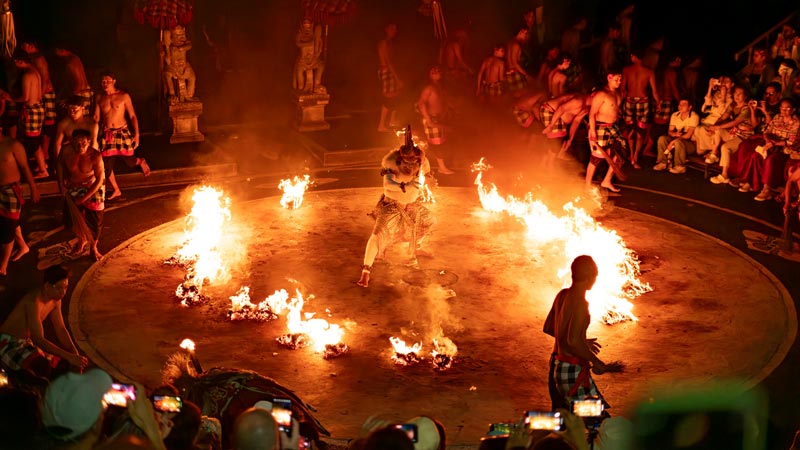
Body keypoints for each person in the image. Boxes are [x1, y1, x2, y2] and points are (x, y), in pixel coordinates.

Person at [543, 255, 623, 412]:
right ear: (591, 276)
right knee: (597, 419)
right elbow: (572, 341)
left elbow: (550, 328)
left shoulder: (562, 295)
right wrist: (597, 361)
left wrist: (582, 341)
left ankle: (530, 435)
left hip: (556, 366)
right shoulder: (581, 304)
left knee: (563, 420)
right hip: (571, 370)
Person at [357, 133, 435, 287]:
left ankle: (416, 247)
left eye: (413, 162)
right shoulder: (391, 162)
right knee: (377, 235)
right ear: (400, 159)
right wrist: (406, 187)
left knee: (429, 221)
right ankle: (365, 272)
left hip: (411, 205)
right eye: (407, 162)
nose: (410, 165)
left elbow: (426, 176)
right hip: (392, 205)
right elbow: (387, 185)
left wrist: (429, 181)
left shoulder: (422, 162)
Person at [0, 266, 88, 379]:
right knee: (42, 367)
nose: (63, 292)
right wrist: (69, 356)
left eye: (65, 287)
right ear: (47, 286)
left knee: (63, 366)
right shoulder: (33, 302)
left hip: (26, 343)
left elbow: (60, 328)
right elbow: (39, 340)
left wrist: (74, 354)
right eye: (59, 288)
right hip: (7, 342)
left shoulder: (56, 299)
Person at [94, 71, 150, 200]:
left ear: (114, 81)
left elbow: (132, 116)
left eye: (108, 81)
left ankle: (140, 161)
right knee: (105, 166)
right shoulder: (99, 97)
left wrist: (137, 134)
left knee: (130, 162)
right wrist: (94, 137)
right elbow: (96, 118)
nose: (105, 84)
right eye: (103, 81)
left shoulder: (124, 96)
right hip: (107, 134)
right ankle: (116, 189)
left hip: (122, 132)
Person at [57, 128, 105, 259]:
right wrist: (61, 185)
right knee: (72, 219)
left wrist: (84, 197)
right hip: (73, 185)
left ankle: (94, 247)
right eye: (77, 143)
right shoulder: (66, 151)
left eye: (83, 143)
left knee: (95, 220)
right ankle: (81, 239)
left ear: (89, 141)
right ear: (72, 142)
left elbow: (100, 179)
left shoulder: (95, 156)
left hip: (92, 186)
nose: (80, 146)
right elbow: (60, 165)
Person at [3, 52, 47, 178]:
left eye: (15, 62)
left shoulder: (27, 75)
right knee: (34, 140)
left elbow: (25, 97)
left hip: (32, 110)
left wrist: (10, 98)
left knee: (32, 142)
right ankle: (42, 166)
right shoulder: (35, 72)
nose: (15, 65)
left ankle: (43, 170)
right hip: (38, 107)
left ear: (20, 61)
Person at [0, 134, 38, 275]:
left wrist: (33, 188)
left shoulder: (13, 145)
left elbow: (25, 167)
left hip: (11, 191)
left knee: (7, 227)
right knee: (10, 223)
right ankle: (23, 246)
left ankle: (3, 265)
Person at [587, 70, 628, 193]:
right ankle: (587, 184)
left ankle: (607, 180)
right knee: (596, 158)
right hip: (600, 127)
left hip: (613, 127)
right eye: (616, 80)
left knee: (621, 152)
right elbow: (592, 114)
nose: (619, 82)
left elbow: (615, 109)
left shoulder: (618, 93)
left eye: (620, 80)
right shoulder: (601, 94)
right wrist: (593, 132)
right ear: (609, 78)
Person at [20, 41, 57, 165]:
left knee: (48, 124)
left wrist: (38, 97)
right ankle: (40, 155)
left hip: (46, 93)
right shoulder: (32, 60)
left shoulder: (39, 59)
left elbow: (45, 79)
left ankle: (45, 153)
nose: (22, 47)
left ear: (31, 46)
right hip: (41, 95)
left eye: (24, 45)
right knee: (42, 126)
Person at [622, 50, 660, 168]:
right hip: (643, 102)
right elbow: (654, 91)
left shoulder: (626, 70)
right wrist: (658, 103)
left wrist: (619, 103)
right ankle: (635, 158)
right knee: (640, 131)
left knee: (631, 130)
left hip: (629, 101)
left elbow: (622, 89)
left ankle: (632, 154)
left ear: (634, 57)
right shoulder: (649, 71)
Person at [417, 66, 454, 174]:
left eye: (439, 71)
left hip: (439, 118)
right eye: (434, 71)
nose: (438, 73)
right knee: (437, 144)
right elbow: (421, 104)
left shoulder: (439, 87)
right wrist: (428, 119)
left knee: (441, 142)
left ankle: (438, 166)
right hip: (431, 118)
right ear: (430, 74)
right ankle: (441, 168)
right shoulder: (429, 88)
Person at [653, 98, 699, 174]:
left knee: (678, 142)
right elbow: (670, 131)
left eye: (684, 104)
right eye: (680, 104)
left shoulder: (694, 116)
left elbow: (688, 136)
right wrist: (674, 134)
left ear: (690, 107)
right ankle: (663, 163)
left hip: (689, 144)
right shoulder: (675, 115)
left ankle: (680, 166)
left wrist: (673, 142)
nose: (681, 106)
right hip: (677, 139)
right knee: (662, 139)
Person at [54, 95, 99, 159]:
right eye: (69, 110)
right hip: (71, 156)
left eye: (75, 110)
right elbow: (57, 144)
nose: (72, 112)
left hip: (88, 156)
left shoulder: (91, 124)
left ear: (82, 107)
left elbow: (94, 144)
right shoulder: (63, 124)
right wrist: (59, 161)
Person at [377, 23, 402, 132]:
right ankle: (381, 125)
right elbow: (388, 62)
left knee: (396, 95)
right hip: (387, 71)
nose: (394, 31)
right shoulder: (384, 43)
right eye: (391, 28)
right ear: (386, 29)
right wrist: (397, 79)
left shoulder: (389, 43)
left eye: (395, 29)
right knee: (389, 97)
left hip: (388, 71)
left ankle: (391, 121)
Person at [505, 28, 532, 97]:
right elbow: (514, 63)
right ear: (520, 32)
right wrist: (525, 75)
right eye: (525, 34)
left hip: (508, 73)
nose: (526, 36)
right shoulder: (516, 45)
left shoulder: (510, 42)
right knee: (523, 96)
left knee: (515, 97)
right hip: (515, 73)